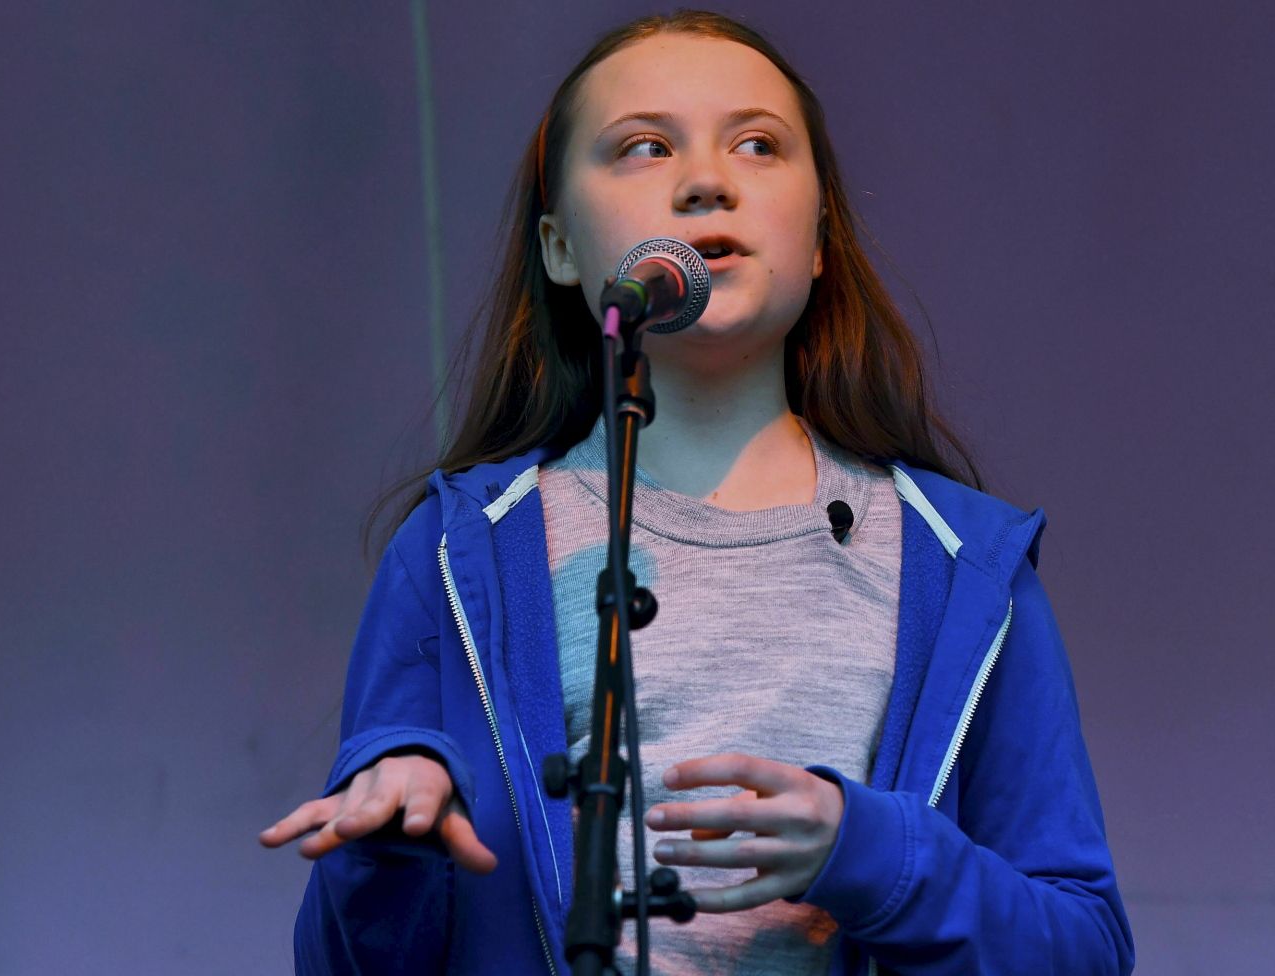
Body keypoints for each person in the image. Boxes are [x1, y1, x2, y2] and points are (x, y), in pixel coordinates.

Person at [259, 10, 1134, 976]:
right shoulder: (456, 552)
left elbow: (1083, 950)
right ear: (558, 248)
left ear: (817, 240)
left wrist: (866, 850)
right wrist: (387, 855)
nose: (707, 179)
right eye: (643, 147)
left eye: (758, 144)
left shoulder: (964, 564)